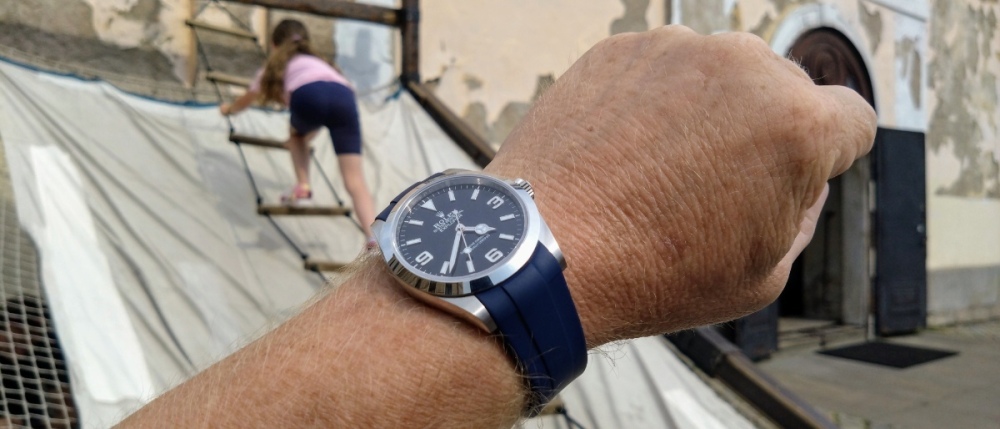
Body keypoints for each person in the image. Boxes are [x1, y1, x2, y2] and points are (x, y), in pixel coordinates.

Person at [119, 26, 875, 428]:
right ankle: (369, 222)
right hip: (350, 115)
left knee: (298, 147)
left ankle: (308, 184)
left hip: (328, 130)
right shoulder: (328, 69)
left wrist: (231, 110)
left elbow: (252, 101)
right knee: (356, 179)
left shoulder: (280, 73)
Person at [220, 19, 377, 245]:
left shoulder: (275, 67)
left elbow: (247, 98)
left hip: (308, 94)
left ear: (274, 45)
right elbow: (327, 101)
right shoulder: (321, 62)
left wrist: (229, 110)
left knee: (296, 136)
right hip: (344, 96)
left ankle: (303, 186)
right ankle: (373, 237)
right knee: (355, 180)